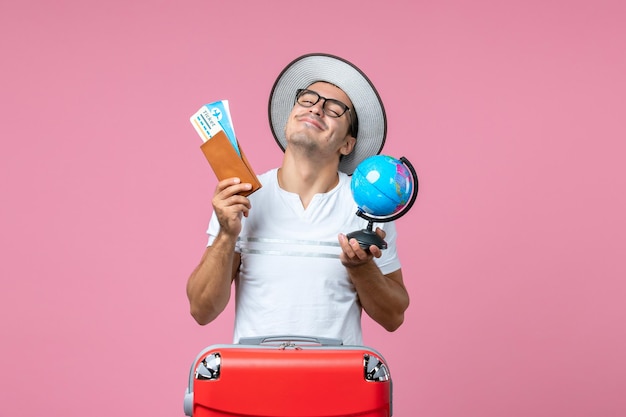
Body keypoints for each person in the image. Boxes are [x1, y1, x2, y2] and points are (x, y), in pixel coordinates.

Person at [186, 53, 409, 345]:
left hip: (337, 384)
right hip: (256, 383)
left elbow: (393, 317)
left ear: (347, 144)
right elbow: (201, 310)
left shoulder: (366, 208)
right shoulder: (242, 198)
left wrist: (361, 268)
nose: (316, 109)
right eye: (308, 99)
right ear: (289, 120)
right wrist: (227, 235)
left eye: (334, 108)